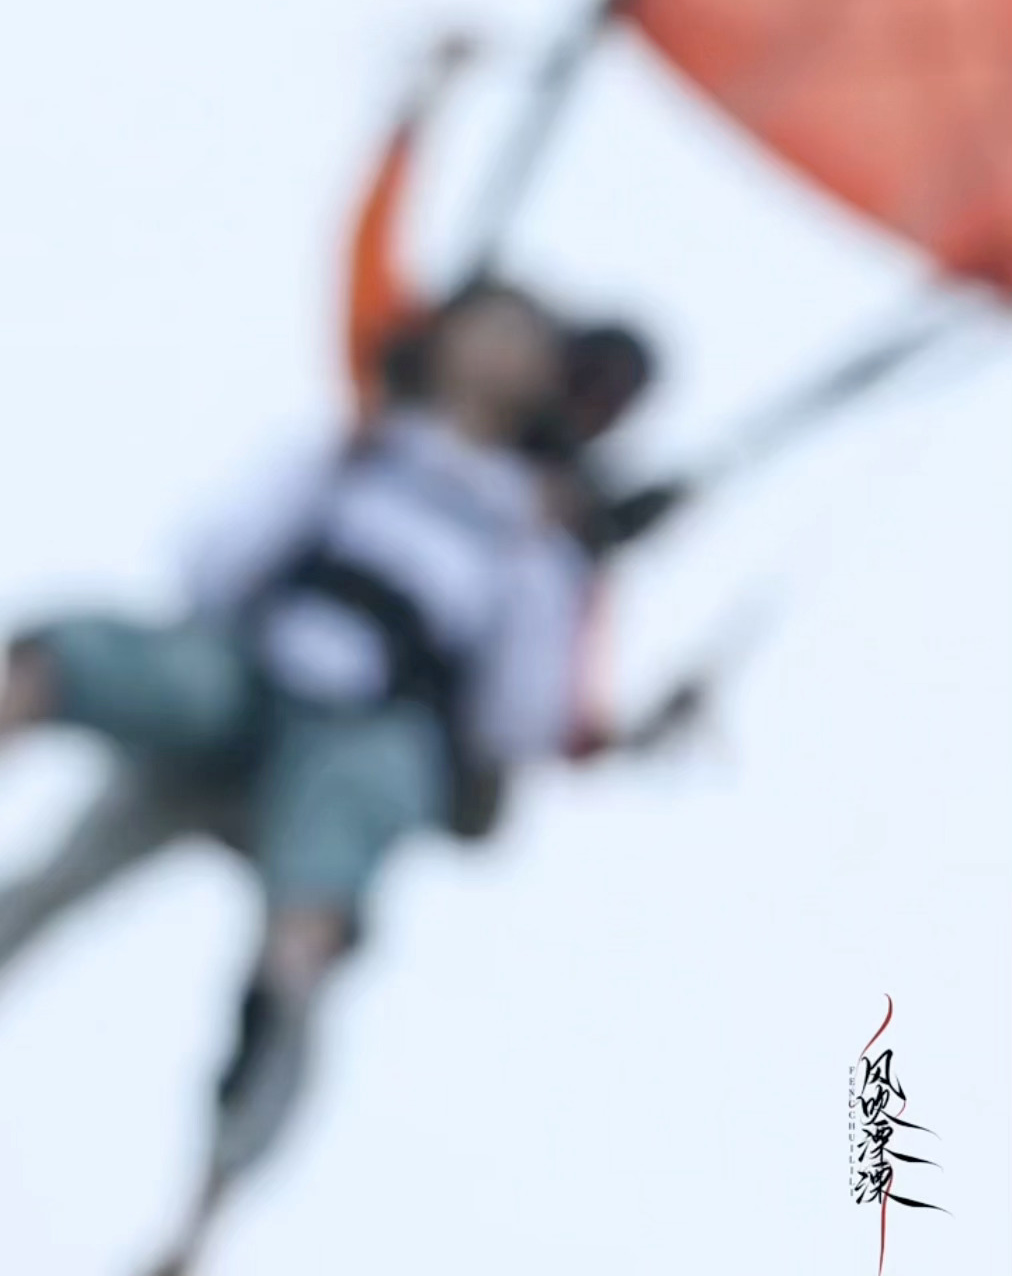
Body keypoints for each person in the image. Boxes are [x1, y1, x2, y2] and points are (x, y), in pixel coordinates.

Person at [0, 261, 702, 1276]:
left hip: (360, 741)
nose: (498, 350)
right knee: (67, 753)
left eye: (522, 342)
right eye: (488, 326)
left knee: (307, 927)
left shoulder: (536, 539)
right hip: (240, 693)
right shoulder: (362, 450)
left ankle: (200, 1219)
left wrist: (549, 566)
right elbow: (210, 567)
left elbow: (518, 717)